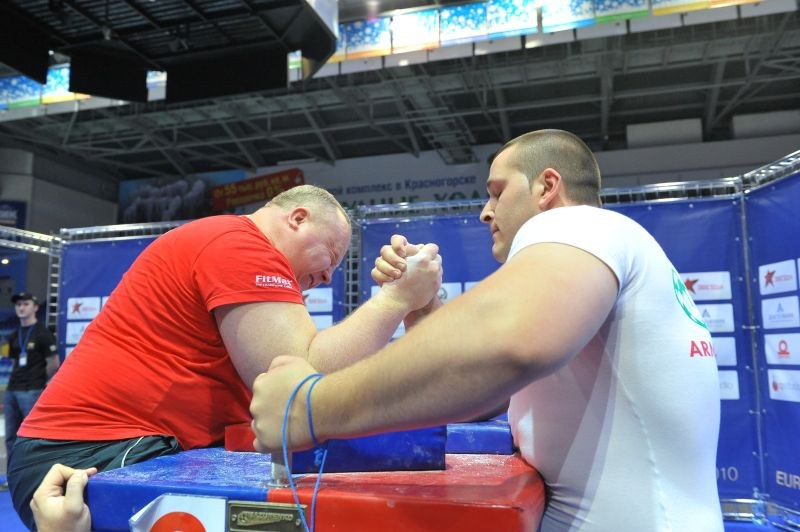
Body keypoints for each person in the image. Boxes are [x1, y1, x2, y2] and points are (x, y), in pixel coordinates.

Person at [250, 130, 725, 531]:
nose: (485, 210)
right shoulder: (609, 255)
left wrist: (310, 407)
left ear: (547, 188)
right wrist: (422, 307)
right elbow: (492, 392)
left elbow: (507, 341)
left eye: (497, 191)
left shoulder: (581, 223)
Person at [8, 184, 442, 530]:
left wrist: (415, 307)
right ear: (297, 218)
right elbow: (301, 382)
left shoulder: (234, 250)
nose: (328, 276)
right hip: (84, 454)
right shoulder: (239, 243)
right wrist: (395, 299)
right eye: (330, 255)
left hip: (124, 446)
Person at [2, 293, 58, 485]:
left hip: (33, 389)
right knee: (11, 438)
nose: (21, 308)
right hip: (12, 390)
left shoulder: (43, 332)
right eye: (18, 304)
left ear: (35, 307)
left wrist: (43, 381)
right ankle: (13, 479)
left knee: (32, 437)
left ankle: (35, 478)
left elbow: (53, 362)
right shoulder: (13, 336)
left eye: (25, 304)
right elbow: (13, 360)